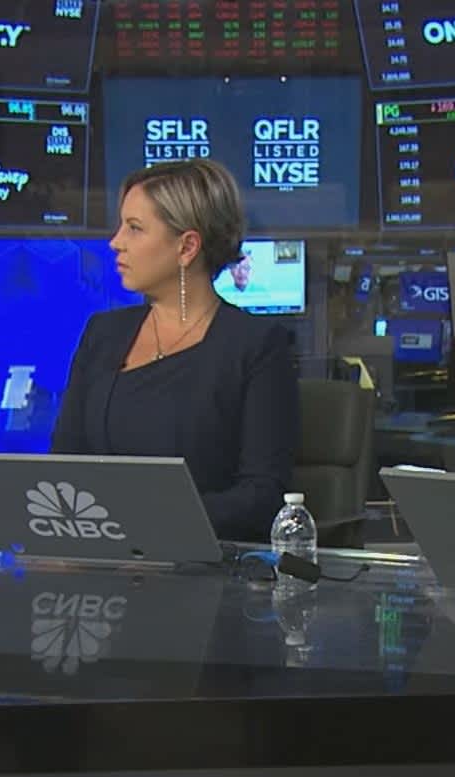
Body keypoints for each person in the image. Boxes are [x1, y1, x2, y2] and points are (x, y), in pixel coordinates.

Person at [51, 159, 298, 542]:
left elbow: (262, 495)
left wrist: (148, 523)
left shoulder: (258, 346)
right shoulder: (102, 334)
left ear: (187, 247)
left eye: (134, 228)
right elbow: (64, 465)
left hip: (203, 562)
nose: (116, 242)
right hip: (97, 555)